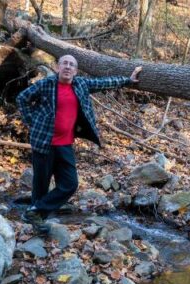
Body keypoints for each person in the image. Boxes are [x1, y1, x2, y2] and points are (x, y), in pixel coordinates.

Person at [16, 54, 142, 233]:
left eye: (71, 65)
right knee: (41, 185)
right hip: (43, 143)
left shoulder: (81, 84)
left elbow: (104, 82)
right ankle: (37, 222)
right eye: (64, 63)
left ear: (75, 70)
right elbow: (22, 99)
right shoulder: (46, 84)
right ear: (58, 67)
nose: (67, 67)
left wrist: (127, 80)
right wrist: (33, 120)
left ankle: (34, 212)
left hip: (65, 144)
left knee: (70, 184)